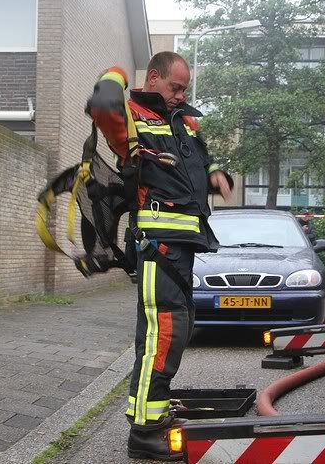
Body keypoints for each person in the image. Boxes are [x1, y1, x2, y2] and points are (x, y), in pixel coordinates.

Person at [87, 52, 233, 461]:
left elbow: (198, 163)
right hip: (158, 245)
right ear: (153, 78)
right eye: (175, 87)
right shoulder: (132, 116)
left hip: (183, 246)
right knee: (164, 331)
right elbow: (101, 102)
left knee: (173, 331)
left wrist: (217, 176)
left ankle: (148, 414)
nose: (181, 95)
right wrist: (115, 70)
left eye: (185, 89)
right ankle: (147, 432)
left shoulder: (185, 123)